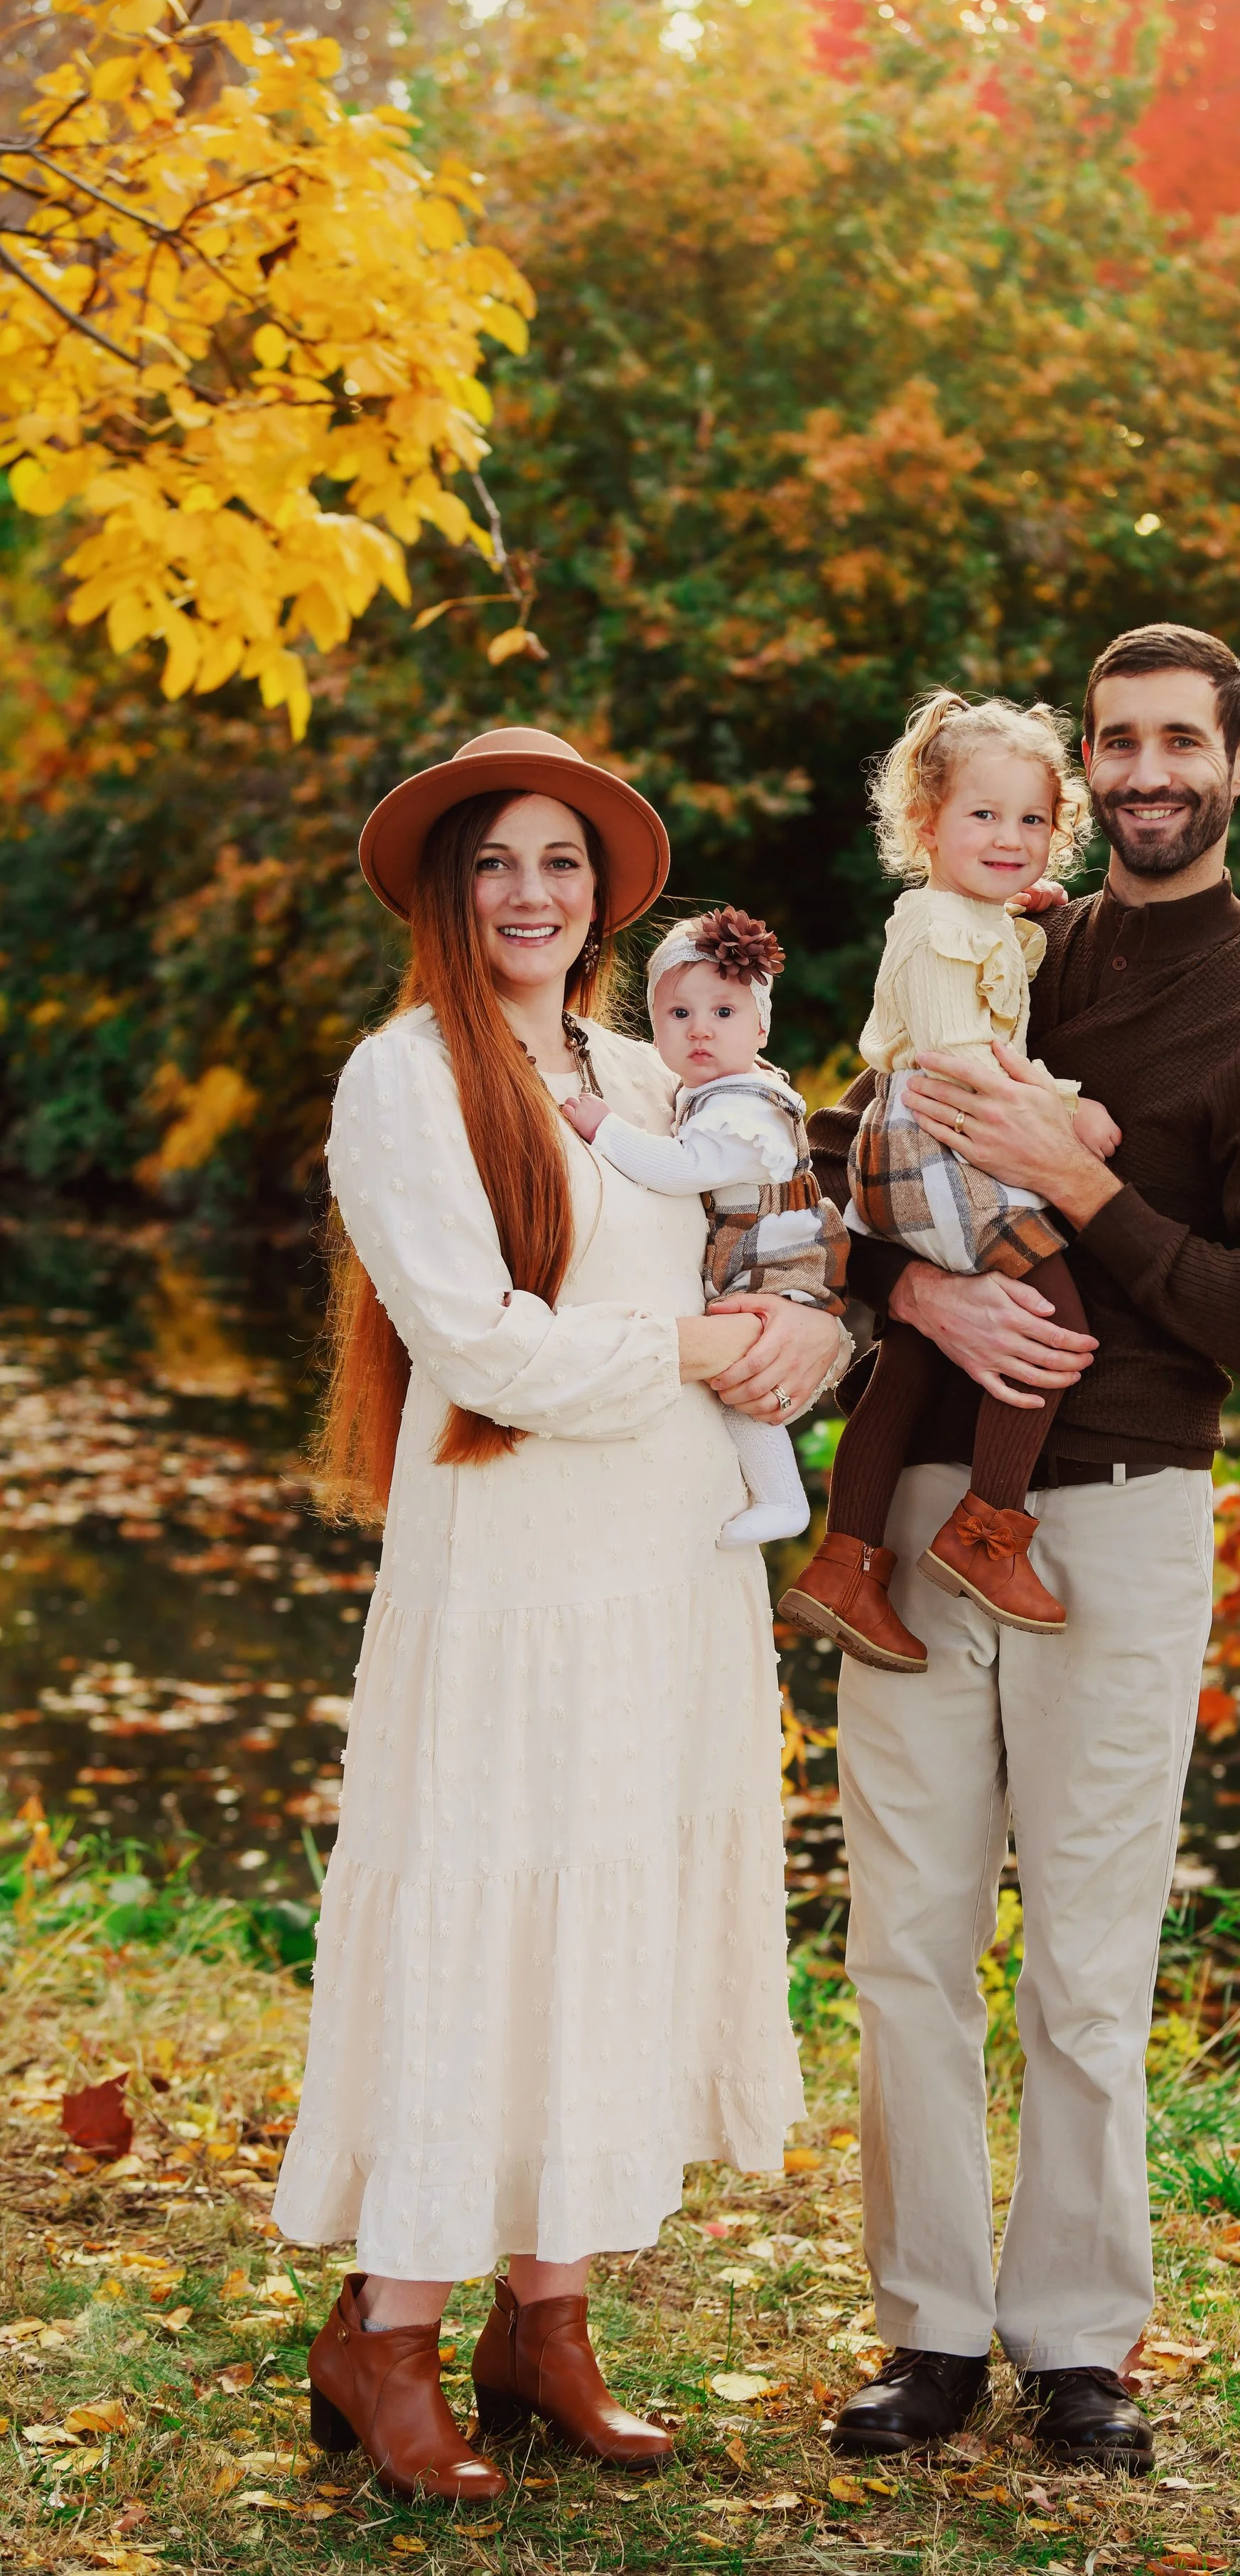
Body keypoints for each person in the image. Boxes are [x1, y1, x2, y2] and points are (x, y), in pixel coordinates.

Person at [806, 626, 1240, 2470]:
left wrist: (1081, 1185)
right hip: (905, 1512)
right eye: (1113, 738)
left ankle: (1071, 2340)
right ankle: (927, 2328)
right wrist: (924, 1299)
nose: (1140, 770)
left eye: (1175, 742)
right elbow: (839, 1161)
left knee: (1083, 1961)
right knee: (903, 1938)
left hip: (1116, 1525)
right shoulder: (999, 936)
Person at [273, 726, 849, 2505]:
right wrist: (689, 1348)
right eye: (498, 863)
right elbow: (482, 1340)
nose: (533, 893)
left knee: (616, 1901)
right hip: (512, 1561)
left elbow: (766, 1243)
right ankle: (390, 2324)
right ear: (449, 894)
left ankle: (552, 2319)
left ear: (601, 896)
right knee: (490, 1897)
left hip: (671, 1558)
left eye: (561, 863)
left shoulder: (646, 1062)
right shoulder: (403, 1075)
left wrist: (810, 1333)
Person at [778, 693, 1122, 1666]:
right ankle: (986, 1532)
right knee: (1054, 1322)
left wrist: (1023, 917)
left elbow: (990, 972)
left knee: (917, 1355)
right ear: (927, 828)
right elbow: (958, 1054)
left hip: (922, 1154)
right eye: (983, 816)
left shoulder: (969, 918)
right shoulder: (934, 929)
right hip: (935, 1148)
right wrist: (1065, 1108)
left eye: (1032, 820)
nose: (1011, 837)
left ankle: (846, 1564)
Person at [561, 903, 848, 1548]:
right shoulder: (715, 1092)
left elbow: (680, 1168)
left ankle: (784, 1500)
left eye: (724, 1013)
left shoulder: (744, 1106)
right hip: (767, 1251)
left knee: (741, 1381)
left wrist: (605, 1129)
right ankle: (779, 1496)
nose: (700, 1030)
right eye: (679, 1014)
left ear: (761, 1026)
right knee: (740, 1379)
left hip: (776, 1259)